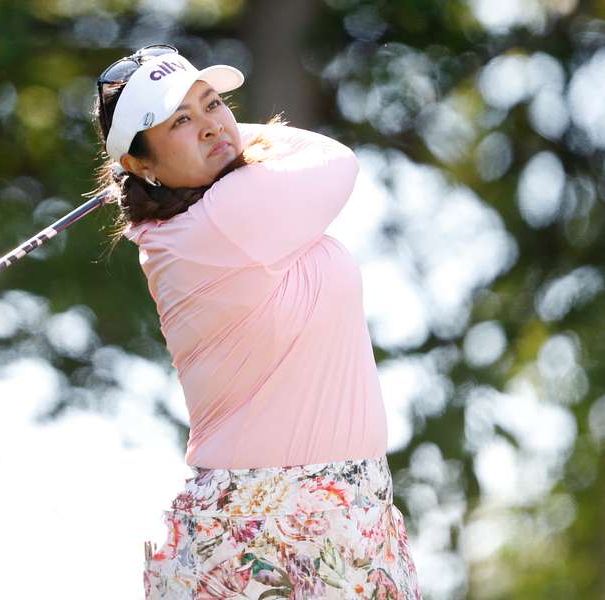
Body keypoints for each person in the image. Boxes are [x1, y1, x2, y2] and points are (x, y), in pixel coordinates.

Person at [91, 44, 422, 600]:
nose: (210, 126)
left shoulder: (184, 227)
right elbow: (335, 158)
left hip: (336, 515)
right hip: (271, 529)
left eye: (213, 103)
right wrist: (222, 129)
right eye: (180, 120)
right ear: (139, 163)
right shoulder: (223, 218)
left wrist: (192, 135)